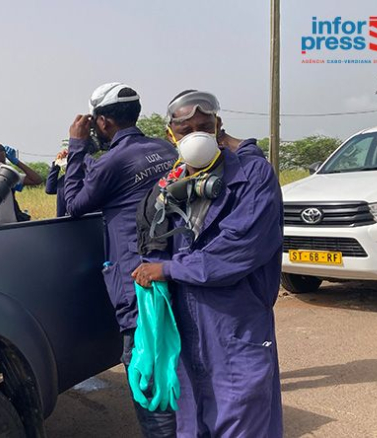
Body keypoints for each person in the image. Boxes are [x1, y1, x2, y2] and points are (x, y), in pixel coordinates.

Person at [132, 90, 284, 437]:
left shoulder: (251, 176)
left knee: (243, 417)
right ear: (171, 134)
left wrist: (169, 269)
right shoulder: (169, 185)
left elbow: (241, 248)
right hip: (184, 327)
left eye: (204, 126)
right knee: (192, 421)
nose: (196, 136)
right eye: (186, 130)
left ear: (218, 127)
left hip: (235, 324)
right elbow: (153, 242)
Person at [63, 82, 178, 437]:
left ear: (103, 123)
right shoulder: (165, 149)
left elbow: (73, 204)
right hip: (175, 269)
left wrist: (77, 147)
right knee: (175, 361)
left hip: (138, 280)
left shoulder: (112, 160)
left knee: (147, 368)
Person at [44, 149, 68, 217]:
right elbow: (49, 189)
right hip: (63, 221)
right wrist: (56, 164)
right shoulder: (64, 179)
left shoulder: (87, 178)